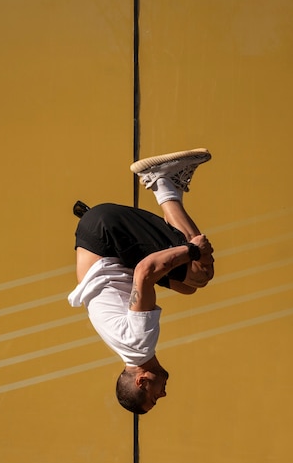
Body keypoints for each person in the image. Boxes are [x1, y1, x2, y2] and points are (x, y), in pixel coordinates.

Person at [68, 149, 214, 414]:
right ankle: (172, 186)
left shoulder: (139, 342)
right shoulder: (129, 350)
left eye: (155, 397)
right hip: (99, 241)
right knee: (188, 286)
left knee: (201, 270)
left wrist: (194, 249)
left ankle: (160, 181)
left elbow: (145, 271)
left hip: (107, 234)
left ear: (142, 381)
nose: (164, 393)